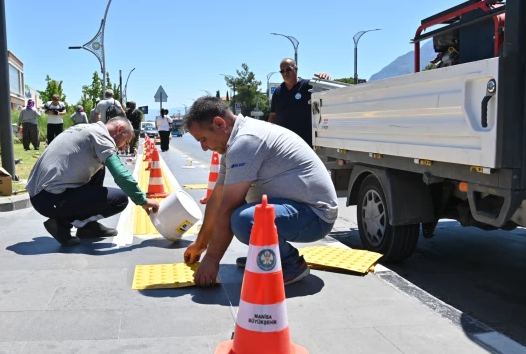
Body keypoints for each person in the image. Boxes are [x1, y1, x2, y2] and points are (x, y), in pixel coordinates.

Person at [182, 96, 338, 286]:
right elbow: (217, 200)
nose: (204, 147)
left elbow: (227, 207)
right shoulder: (234, 144)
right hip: (298, 210)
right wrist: (200, 245)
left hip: (315, 216)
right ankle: (267, 255)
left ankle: (291, 263)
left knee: (244, 220)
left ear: (219, 123)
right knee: (240, 211)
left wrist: (212, 259)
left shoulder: (246, 141)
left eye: (203, 139)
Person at [26, 116, 160, 246]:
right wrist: (143, 200)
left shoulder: (86, 128)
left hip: (40, 195)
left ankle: (88, 227)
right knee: (120, 200)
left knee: (100, 168)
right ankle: (62, 224)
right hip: (50, 199)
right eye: (126, 141)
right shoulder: (102, 137)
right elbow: (121, 175)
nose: (124, 147)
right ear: (120, 129)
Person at [269, 58, 330, 148]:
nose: (285, 73)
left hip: (305, 144)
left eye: (288, 69)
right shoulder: (278, 92)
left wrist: (324, 79)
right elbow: (273, 116)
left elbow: (326, 93)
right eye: (282, 71)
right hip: (283, 144)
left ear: (296, 69)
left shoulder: (308, 86)